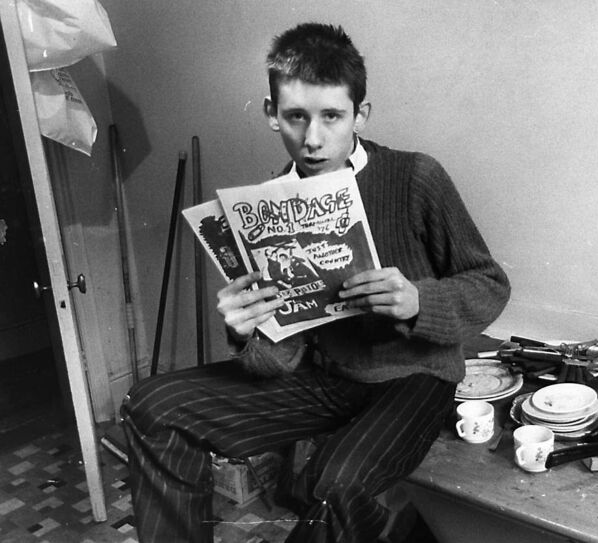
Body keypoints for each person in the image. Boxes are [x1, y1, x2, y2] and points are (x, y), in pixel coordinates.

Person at [121, 22, 510, 543]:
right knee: (152, 408)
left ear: (360, 115)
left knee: (333, 488)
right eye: (295, 117)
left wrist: (421, 301)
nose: (313, 138)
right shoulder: (265, 206)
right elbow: (277, 363)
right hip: (324, 378)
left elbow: (489, 283)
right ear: (270, 113)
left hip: (414, 376)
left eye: (332, 116)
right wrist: (248, 332)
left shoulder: (415, 177)